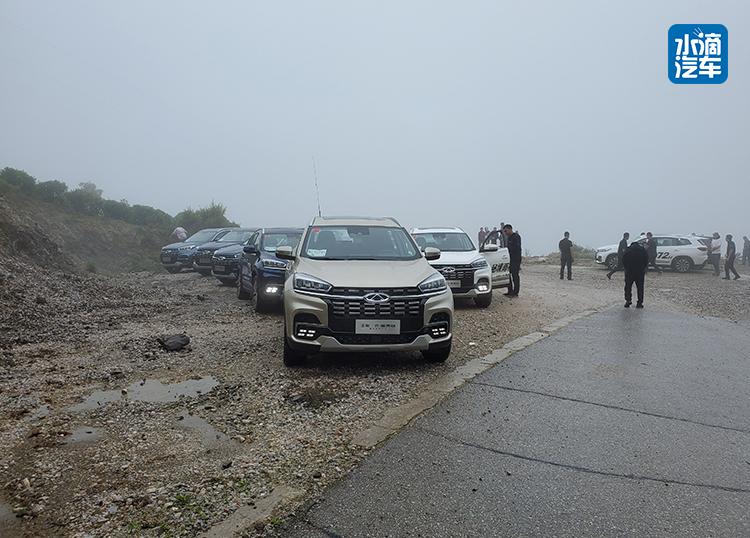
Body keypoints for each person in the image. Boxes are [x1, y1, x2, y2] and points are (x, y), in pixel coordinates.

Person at [622, 240, 649, 308]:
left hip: (629, 271)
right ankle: (639, 303)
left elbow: (623, 260)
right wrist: (643, 268)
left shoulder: (628, 250)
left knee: (628, 287)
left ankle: (628, 301)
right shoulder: (642, 250)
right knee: (640, 288)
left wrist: (626, 268)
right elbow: (646, 260)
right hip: (640, 272)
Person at [503, 224, 522, 297]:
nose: (505, 233)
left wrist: (509, 249)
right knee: (508, 275)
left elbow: (516, 248)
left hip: (515, 259)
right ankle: (510, 290)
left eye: (506, 231)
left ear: (510, 229)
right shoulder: (509, 238)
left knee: (515, 276)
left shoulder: (516, 237)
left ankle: (515, 292)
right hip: (509, 259)